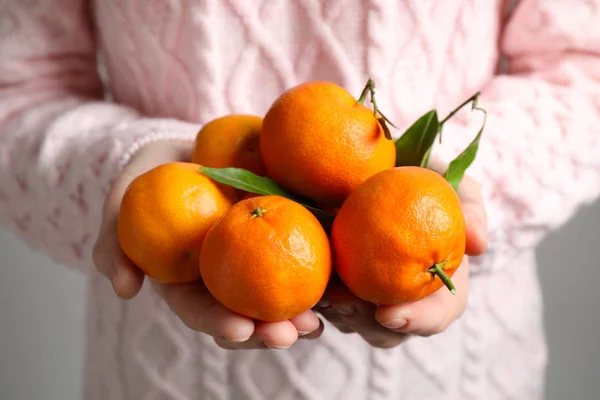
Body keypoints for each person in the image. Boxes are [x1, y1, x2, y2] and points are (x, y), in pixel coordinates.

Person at [1, 0, 599, 399]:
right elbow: (17, 89)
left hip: (462, 375)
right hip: (162, 375)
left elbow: (585, 66)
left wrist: (459, 188)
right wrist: (124, 174)